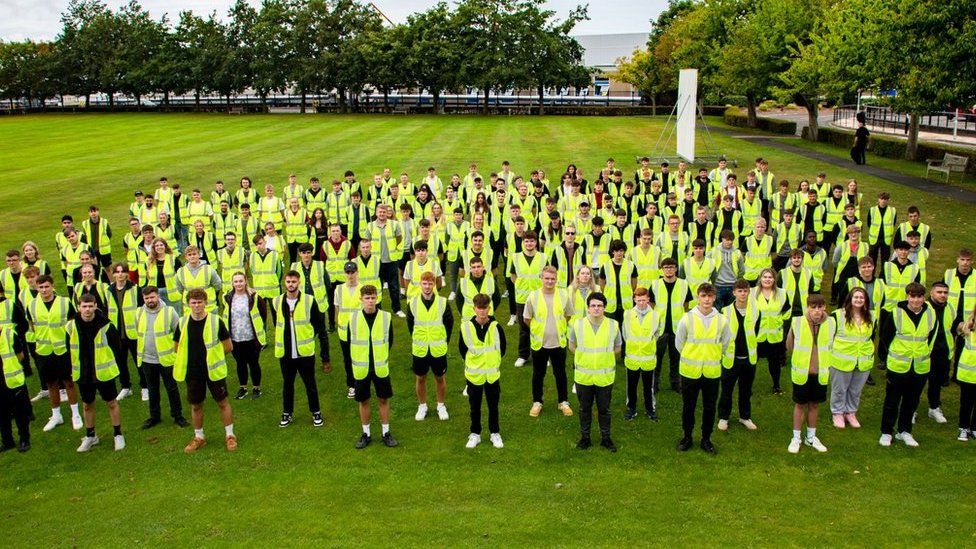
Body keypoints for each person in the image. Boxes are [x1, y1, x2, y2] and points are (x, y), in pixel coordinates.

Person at [173, 289, 237, 453]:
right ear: (188, 304)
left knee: (223, 402)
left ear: (205, 303)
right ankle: (199, 437)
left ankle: (230, 436)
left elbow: (228, 346)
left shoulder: (216, 321)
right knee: (196, 406)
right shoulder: (182, 322)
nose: (196, 305)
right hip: (193, 372)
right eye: (193, 302)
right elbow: (176, 347)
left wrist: (213, 357)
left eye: (199, 302)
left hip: (213, 371)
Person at [675, 283, 732, 454]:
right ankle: (687, 437)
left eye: (710, 296)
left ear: (714, 298)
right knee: (688, 407)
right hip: (690, 371)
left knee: (709, 408)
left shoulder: (722, 320)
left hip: (711, 372)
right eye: (703, 296)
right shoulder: (687, 318)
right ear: (698, 298)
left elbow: (725, 343)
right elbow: (680, 343)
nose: (706, 299)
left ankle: (706, 439)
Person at [878, 282, 935, 448]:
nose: (916, 300)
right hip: (898, 366)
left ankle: (905, 431)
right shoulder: (896, 314)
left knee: (912, 401)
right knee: (892, 401)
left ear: (923, 298)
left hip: (920, 367)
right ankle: (886, 432)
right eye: (912, 296)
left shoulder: (930, 314)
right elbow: (885, 338)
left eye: (919, 297)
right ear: (907, 297)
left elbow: (931, 337)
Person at [67, 294, 126, 452]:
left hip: (103, 372)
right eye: (84, 306)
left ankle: (118, 434)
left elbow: (117, 347)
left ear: (95, 306)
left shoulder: (106, 325)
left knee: (111, 403)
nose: (87, 309)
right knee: (87, 405)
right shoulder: (71, 326)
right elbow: (69, 350)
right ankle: (91, 436)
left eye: (90, 306)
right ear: (79, 307)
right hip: (83, 373)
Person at [273, 271, 330, 428]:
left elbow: (318, 325)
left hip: (304, 352)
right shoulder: (277, 301)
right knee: (288, 384)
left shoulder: (309, 301)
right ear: (285, 283)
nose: (291, 284)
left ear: (299, 283)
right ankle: (287, 413)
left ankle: (316, 412)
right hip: (285, 352)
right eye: (288, 281)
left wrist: (308, 338)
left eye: (294, 282)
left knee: (310, 383)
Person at [28, 275, 83, 431]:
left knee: (69, 383)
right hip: (44, 351)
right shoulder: (31, 305)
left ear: (52, 286)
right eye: (41, 287)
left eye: (46, 287)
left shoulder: (65, 303)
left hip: (63, 350)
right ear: (37, 288)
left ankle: (75, 414)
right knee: (51, 384)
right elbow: (32, 325)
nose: (44, 290)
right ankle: (56, 415)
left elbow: (73, 324)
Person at [569, 292, 622, 452]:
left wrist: (604, 357)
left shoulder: (613, 325)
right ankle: (585, 438)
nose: (596, 308)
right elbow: (572, 345)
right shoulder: (577, 325)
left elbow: (618, 347)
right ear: (588, 308)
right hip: (584, 376)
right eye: (593, 305)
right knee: (584, 409)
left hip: (604, 377)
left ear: (604, 308)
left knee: (604, 409)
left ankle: (606, 438)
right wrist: (583, 357)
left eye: (599, 306)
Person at [349, 285, 397, 449]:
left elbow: (389, 340)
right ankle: (366, 434)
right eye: (367, 298)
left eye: (372, 298)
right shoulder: (353, 318)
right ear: (361, 299)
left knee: (383, 399)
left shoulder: (386, 317)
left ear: (377, 298)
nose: (370, 301)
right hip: (362, 368)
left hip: (380, 366)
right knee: (363, 401)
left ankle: (386, 432)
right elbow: (350, 341)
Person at [785, 294, 834, 454]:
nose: (817, 311)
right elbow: (789, 345)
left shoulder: (831, 323)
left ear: (824, 307)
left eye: (820, 307)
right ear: (807, 307)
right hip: (802, 373)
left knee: (814, 405)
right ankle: (796, 437)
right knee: (800, 405)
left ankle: (811, 437)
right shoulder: (797, 322)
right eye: (813, 307)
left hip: (821, 373)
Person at [134, 285, 187, 429]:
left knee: (171, 388)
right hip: (147, 359)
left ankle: (178, 415)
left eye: (152, 297)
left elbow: (178, 334)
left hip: (166, 359)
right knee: (152, 389)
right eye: (146, 298)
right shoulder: (138, 313)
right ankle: (154, 416)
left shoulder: (170, 312)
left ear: (158, 296)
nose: (150, 300)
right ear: (143, 299)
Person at [523, 266, 574, 417]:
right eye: (547, 278)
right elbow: (527, 318)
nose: (550, 281)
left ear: (556, 279)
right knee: (538, 374)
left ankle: (563, 402)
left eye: (553, 279)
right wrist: (540, 330)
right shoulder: (533, 296)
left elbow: (568, 315)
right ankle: (537, 402)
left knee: (561, 373)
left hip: (559, 342)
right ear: (541, 278)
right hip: (540, 343)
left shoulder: (564, 295)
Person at [460, 293, 506, 448]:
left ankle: (495, 433)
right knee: (475, 407)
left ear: (489, 308)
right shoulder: (466, 327)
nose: (482, 311)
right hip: (474, 376)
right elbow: (462, 349)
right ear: (474, 309)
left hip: (492, 375)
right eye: (479, 308)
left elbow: (503, 349)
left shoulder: (496, 327)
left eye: (485, 308)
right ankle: (475, 434)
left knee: (493, 406)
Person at [406, 272, 454, 422]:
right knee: (420, 378)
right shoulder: (412, 304)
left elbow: (449, 325)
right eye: (424, 284)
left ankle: (440, 405)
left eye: (430, 284)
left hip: (438, 348)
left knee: (440, 378)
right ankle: (422, 405)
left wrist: (443, 341)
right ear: (420, 284)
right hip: (420, 349)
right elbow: (410, 326)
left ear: (434, 285)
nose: (427, 287)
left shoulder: (443, 302)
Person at [717, 280, 759, 431]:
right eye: (739, 291)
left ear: (749, 292)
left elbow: (757, 331)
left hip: (749, 358)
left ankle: (745, 416)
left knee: (746, 390)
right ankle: (723, 417)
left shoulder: (756, 310)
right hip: (730, 358)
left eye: (745, 291)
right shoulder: (725, 311)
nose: (742, 294)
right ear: (734, 292)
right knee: (727, 389)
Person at [829, 287, 874, 429]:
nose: (859, 300)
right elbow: (829, 337)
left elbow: (872, 336)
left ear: (866, 300)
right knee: (839, 389)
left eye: (862, 297)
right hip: (841, 360)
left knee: (856, 390)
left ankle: (850, 412)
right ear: (850, 299)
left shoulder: (872, 316)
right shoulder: (837, 315)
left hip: (863, 360)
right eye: (856, 297)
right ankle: (837, 413)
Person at [223, 273, 266, 400]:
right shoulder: (228, 297)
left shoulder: (254, 296)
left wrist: (258, 329)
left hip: (252, 338)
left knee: (253, 363)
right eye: (235, 281)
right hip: (235, 338)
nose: (238, 284)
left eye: (240, 281)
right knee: (240, 363)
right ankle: (243, 388)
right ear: (232, 283)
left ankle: (256, 388)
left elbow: (263, 314)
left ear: (245, 281)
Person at [622, 287, 663, 421]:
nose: (641, 303)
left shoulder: (655, 315)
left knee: (648, 387)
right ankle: (631, 409)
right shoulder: (627, 314)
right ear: (634, 299)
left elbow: (658, 332)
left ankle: (650, 409)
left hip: (648, 358)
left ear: (648, 299)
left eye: (643, 300)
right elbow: (625, 333)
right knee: (631, 387)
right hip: (632, 357)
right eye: (638, 300)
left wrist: (649, 343)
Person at [106, 263, 145, 402]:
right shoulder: (108, 291)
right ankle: (125, 387)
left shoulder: (136, 289)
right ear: (114, 274)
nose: (120, 274)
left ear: (127, 273)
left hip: (133, 331)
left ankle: (144, 387)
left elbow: (142, 309)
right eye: (117, 272)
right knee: (120, 361)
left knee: (138, 360)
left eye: (123, 271)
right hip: (117, 333)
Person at [651, 258, 691, 392]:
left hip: (677, 328)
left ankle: (676, 383)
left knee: (676, 358)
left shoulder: (684, 284)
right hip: (660, 328)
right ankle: (654, 384)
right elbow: (651, 304)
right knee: (657, 358)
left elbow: (686, 304)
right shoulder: (655, 284)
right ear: (662, 269)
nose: (669, 270)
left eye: (671, 267)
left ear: (675, 269)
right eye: (666, 267)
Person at [363, 204, 405, 318]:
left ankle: (397, 309)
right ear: (376, 213)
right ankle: (378, 309)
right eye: (380, 212)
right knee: (377, 287)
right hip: (376, 262)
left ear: (387, 213)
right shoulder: (370, 226)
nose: (382, 214)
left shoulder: (394, 224)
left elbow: (399, 238)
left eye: (384, 212)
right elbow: (367, 241)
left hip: (391, 260)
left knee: (394, 287)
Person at [753, 268, 790, 395]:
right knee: (752, 362)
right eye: (765, 277)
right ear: (760, 279)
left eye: (770, 277)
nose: (767, 279)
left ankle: (776, 385)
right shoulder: (752, 293)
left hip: (775, 335)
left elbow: (786, 309)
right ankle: (747, 386)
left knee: (774, 362)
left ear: (774, 279)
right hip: (757, 335)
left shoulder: (782, 293)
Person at [510, 231, 544, 367]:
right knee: (523, 328)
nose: (529, 244)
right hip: (522, 298)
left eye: (531, 241)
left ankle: (542, 354)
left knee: (540, 326)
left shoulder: (543, 257)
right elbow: (513, 276)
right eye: (526, 241)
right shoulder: (516, 257)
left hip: (539, 298)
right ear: (523, 243)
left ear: (536, 242)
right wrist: (520, 286)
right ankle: (523, 355)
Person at [926, 282, 959, 424]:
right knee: (917, 383)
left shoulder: (950, 307)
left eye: (945, 292)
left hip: (943, 352)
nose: (943, 295)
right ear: (932, 293)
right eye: (939, 292)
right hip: (925, 352)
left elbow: (954, 327)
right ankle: (912, 410)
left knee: (936, 382)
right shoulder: (924, 307)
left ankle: (934, 408)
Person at [0, 323, 31, 452]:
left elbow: (20, 355)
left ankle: (24, 439)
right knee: (2, 413)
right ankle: (7, 441)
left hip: (13, 379)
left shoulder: (9, 334)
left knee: (20, 412)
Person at [335, 261, 361, 399]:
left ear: (357, 272)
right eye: (348, 272)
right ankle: (351, 384)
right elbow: (337, 309)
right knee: (347, 359)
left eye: (353, 272)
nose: (350, 275)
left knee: (360, 357)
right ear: (344, 273)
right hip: (344, 331)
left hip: (359, 330)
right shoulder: (338, 289)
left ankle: (361, 382)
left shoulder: (362, 289)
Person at [174, 246, 222, 314]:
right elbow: (179, 289)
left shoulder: (209, 269)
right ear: (186, 257)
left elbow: (218, 285)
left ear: (199, 255)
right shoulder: (180, 272)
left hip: (208, 308)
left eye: (194, 254)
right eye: (189, 255)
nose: (192, 256)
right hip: (190, 309)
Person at [956, 303, 976, 441]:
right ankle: (963, 427)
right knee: (966, 402)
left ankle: (974, 427)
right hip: (968, 373)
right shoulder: (968, 326)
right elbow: (958, 330)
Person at [866, 192, 896, 270]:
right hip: (874, 239)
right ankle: (871, 275)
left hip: (886, 239)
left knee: (885, 261)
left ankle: (883, 277)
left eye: (885, 199)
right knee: (872, 260)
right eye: (881, 199)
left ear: (888, 200)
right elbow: (869, 223)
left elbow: (894, 223)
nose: (883, 201)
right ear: (878, 199)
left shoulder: (893, 210)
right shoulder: (872, 210)